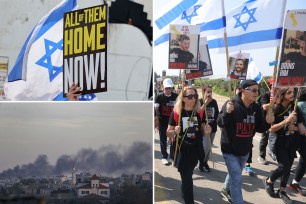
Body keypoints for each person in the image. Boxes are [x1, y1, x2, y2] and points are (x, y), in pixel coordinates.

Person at [217, 80, 273, 204]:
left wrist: (268, 122)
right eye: (253, 90)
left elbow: (259, 128)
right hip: (229, 150)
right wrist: (227, 112)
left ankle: (226, 189)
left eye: (258, 90)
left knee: (234, 173)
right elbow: (220, 122)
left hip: (245, 150)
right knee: (236, 177)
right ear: (243, 91)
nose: (256, 93)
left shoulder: (256, 108)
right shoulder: (230, 104)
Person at [166, 86, 211, 204]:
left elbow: (202, 131)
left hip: (195, 149)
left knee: (189, 174)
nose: (193, 99)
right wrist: (174, 131)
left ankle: (184, 189)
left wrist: (207, 130)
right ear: (183, 98)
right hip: (181, 149)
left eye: (195, 96)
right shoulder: (177, 112)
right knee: (187, 179)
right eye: (190, 96)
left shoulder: (199, 112)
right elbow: (167, 132)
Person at [263, 88, 304, 203]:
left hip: (291, 141)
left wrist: (294, 128)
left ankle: (282, 191)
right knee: (284, 166)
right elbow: (271, 128)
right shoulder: (275, 108)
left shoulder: (294, 107)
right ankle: (269, 181)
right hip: (278, 141)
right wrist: (286, 122)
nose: (292, 94)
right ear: (282, 94)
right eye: (289, 92)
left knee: (288, 167)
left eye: (293, 92)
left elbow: (299, 127)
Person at [155, 78, 178, 165]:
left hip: (173, 122)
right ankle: (164, 156)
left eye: (169, 88)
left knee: (173, 140)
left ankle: (172, 156)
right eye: (166, 88)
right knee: (163, 140)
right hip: (162, 122)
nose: (168, 90)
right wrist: (156, 122)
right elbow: (156, 109)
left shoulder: (176, 96)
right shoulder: (159, 97)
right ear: (163, 88)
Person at [287, 88, 306, 196]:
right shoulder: (300, 105)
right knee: (304, 160)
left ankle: (294, 182)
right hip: (302, 137)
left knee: (304, 161)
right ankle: (293, 183)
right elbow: (300, 124)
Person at [198, 85, 219, 172]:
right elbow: (198, 113)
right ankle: (201, 162)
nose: (210, 94)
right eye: (208, 92)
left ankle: (205, 162)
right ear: (203, 92)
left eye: (211, 92)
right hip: (204, 128)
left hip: (212, 127)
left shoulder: (214, 102)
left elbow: (217, 114)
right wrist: (205, 103)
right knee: (205, 146)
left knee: (209, 147)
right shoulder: (199, 101)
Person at [258, 78, 273, 165]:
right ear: (271, 86)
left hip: (275, 120)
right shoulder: (265, 95)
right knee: (265, 139)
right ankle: (261, 156)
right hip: (265, 120)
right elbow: (265, 107)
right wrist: (274, 103)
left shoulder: (280, 95)